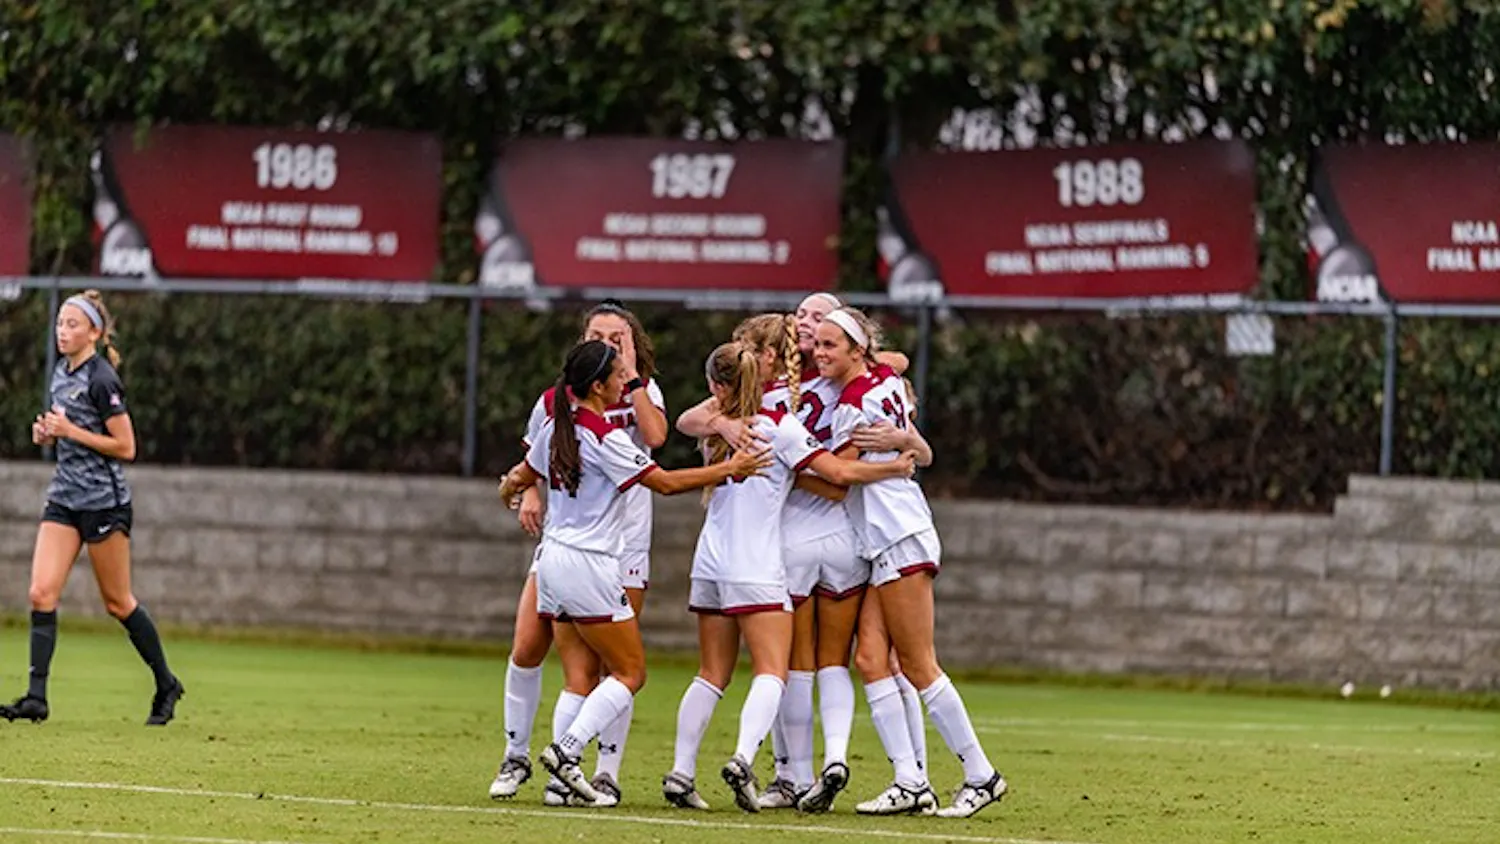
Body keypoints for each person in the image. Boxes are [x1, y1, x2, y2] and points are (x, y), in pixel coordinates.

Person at [676, 295, 924, 814]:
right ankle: (866, 766)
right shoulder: (842, 376)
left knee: (793, 664)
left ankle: (792, 775)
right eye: (804, 318)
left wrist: (722, 425)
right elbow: (891, 367)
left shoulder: (759, 401)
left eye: (818, 318)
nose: (808, 325)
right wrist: (900, 457)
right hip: (844, 537)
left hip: (784, 541)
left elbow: (690, 419)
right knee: (852, 661)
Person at [496, 339, 769, 805]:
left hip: (552, 563)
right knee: (630, 672)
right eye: (620, 375)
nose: (628, 380)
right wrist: (730, 468)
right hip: (590, 566)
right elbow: (663, 483)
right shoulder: (605, 437)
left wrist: (511, 492)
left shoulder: (558, 425)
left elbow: (521, 474)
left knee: (578, 673)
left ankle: (561, 783)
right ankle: (565, 754)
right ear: (597, 385)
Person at [815, 306, 1008, 819]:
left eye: (830, 344)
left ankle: (981, 774)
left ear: (857, 349)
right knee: (871, 660)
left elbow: (837, 478)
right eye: (818, 343)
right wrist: (907, 447)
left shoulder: (855, 403)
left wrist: (791, 463)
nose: (820, 351)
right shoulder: (887, 381)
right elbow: (921, 455)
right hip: (884, 542)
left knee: (920, 665)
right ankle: (909, 780)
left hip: (899, 535)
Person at [490, 302, 668, 806]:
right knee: (529, 647)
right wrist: (527, 492)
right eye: (599, 335)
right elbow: (534, 460)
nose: (610, 342)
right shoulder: (558, 402)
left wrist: (632, 380)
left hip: (625, 541)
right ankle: (520, 756)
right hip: (569, 543)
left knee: (615, 665)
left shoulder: (641, 391)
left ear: (634, 345)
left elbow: (657, 439)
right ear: (583, 340)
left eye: (620, 336)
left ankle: (604, 770)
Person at [1, 290, 184, 726]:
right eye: (60, 323)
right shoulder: (60, 373)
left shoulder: (102, 380)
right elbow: (65, 428)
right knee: (40, 593)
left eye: (72, 325)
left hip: (104, 504)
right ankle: (36, 698)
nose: (62, 332)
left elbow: (126, 446)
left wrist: (73, 431)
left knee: (118, 603)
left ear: (94, 333)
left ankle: (166, 682)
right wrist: (48, 434)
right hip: (64, 497)